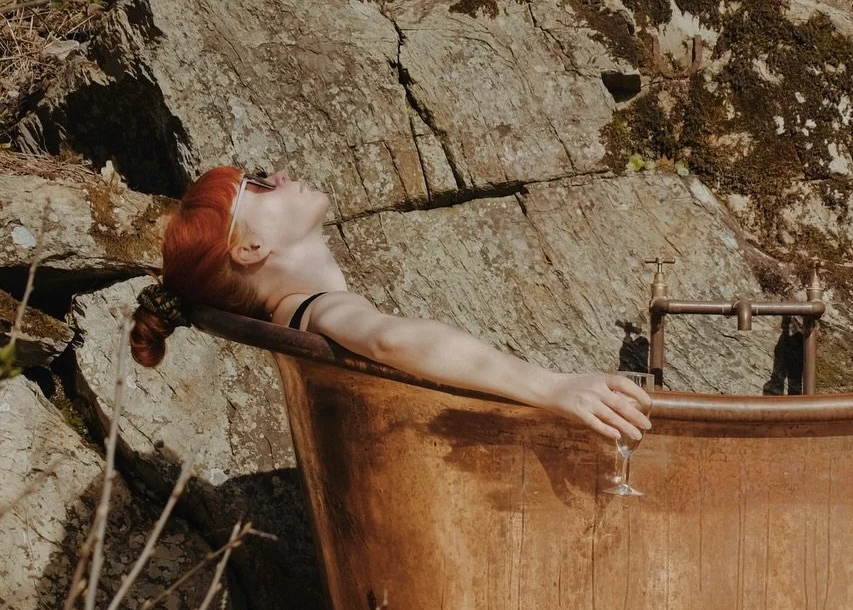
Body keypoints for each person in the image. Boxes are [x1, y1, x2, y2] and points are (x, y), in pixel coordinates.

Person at [129, 166, 652, 447]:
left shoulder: (299, 310)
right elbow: (391, 338)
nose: (282, 175)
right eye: (260, 182)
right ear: (249, 249)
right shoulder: (316, 310)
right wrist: (551, 386)